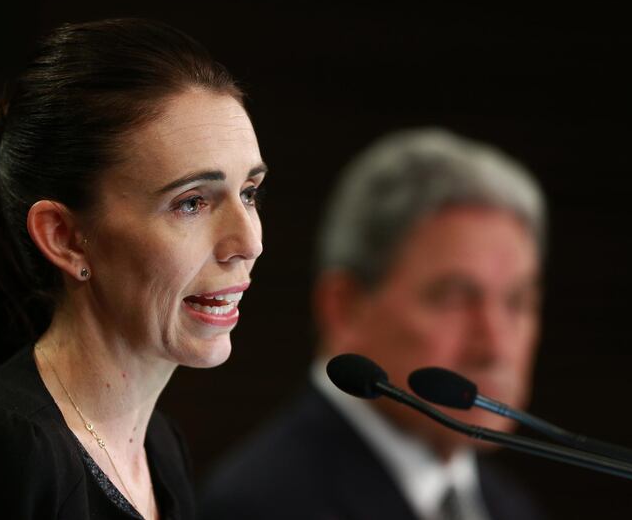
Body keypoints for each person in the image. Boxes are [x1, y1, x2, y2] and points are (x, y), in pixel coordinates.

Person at [0, 18, 266, 519]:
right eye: (191, 203)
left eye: (249, 193)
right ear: (65, 239)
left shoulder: (159, 446)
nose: (248, 243)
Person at [201, 128, 545, 520]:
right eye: (454, 299)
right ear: (344, 307)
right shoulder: (262, 505)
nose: (496, 346)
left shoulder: (508, 506)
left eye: (517, 302)